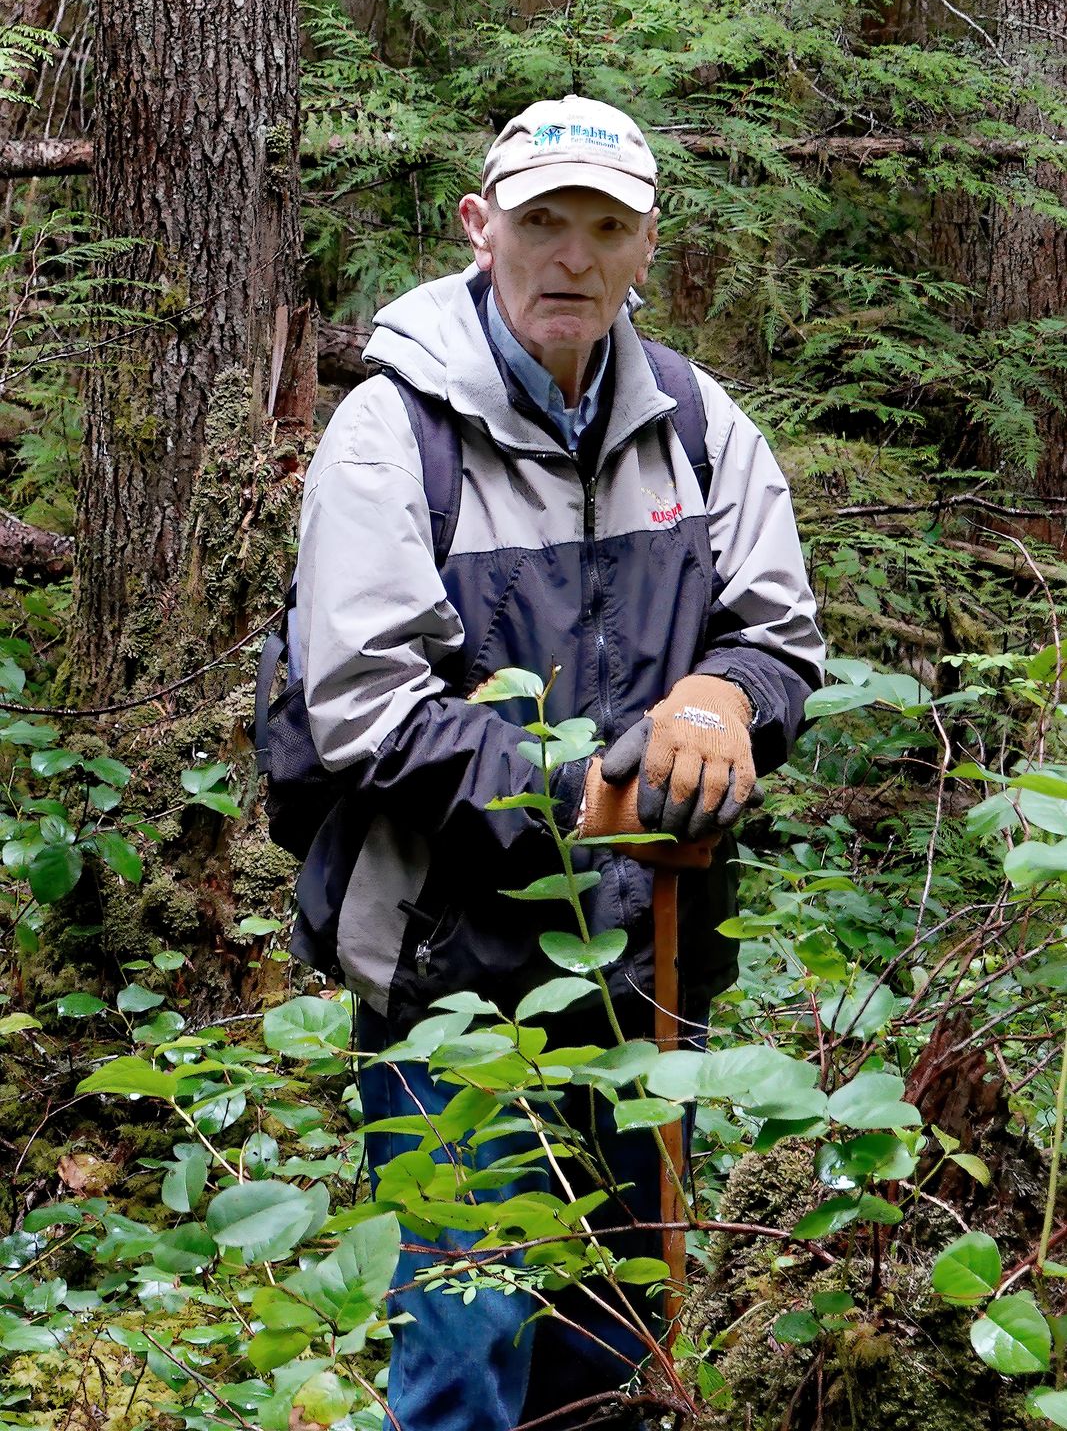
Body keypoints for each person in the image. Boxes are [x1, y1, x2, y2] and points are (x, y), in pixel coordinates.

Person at [295, 94, 824, 1430]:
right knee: (468, 1357)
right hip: (449, 983)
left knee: (619, 1352)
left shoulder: (701, 430)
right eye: (544, 223)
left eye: (606, 228)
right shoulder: (392, 435)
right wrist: (584, 793)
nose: (573, 258)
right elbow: (364, 702)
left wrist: (720, 696)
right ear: (484, 229)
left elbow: (779, 638)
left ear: (649, 249)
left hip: (650, 969)